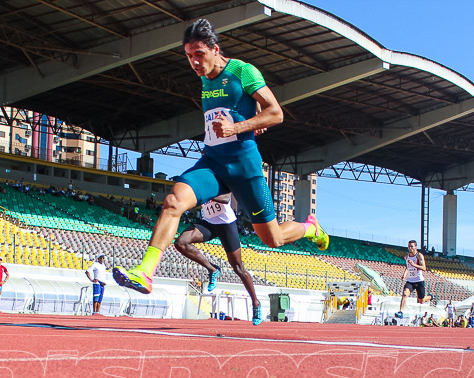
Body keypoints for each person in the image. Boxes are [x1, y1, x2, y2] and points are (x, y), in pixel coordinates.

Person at [112, 18, 329, 295]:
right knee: (173, 202)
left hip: (244, 167)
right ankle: (145, 272)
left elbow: (276, 112)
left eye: (199, 54)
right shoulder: (204, 79)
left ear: (215, 49)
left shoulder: (243, 71)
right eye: (189, 56)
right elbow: (240, 111)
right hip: (213, 163)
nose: (194, 62)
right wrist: (249, 120)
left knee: (272, 238)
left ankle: (310, 227)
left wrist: (238, 127)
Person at [174, 192, 265, 324]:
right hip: (208, 223)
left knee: (239, 268)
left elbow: (225, 198)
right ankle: (212, 269)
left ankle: (256, 303)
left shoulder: (220, 181)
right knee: (180, 243)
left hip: (226, 225)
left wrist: (205, 196)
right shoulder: (199, 183)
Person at [395, 240, 434, 319]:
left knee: (421, 301)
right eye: (409, 246)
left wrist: (414, 264)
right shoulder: (407, 256)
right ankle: (401, 312)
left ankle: (430, 297)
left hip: (419, 281)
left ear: (416, 247)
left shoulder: (419, 256)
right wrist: (404, 274)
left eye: (412, 246)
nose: (410, 248)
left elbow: (424, 268)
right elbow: (408, 267)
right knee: (405, 294)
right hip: (410, 280)